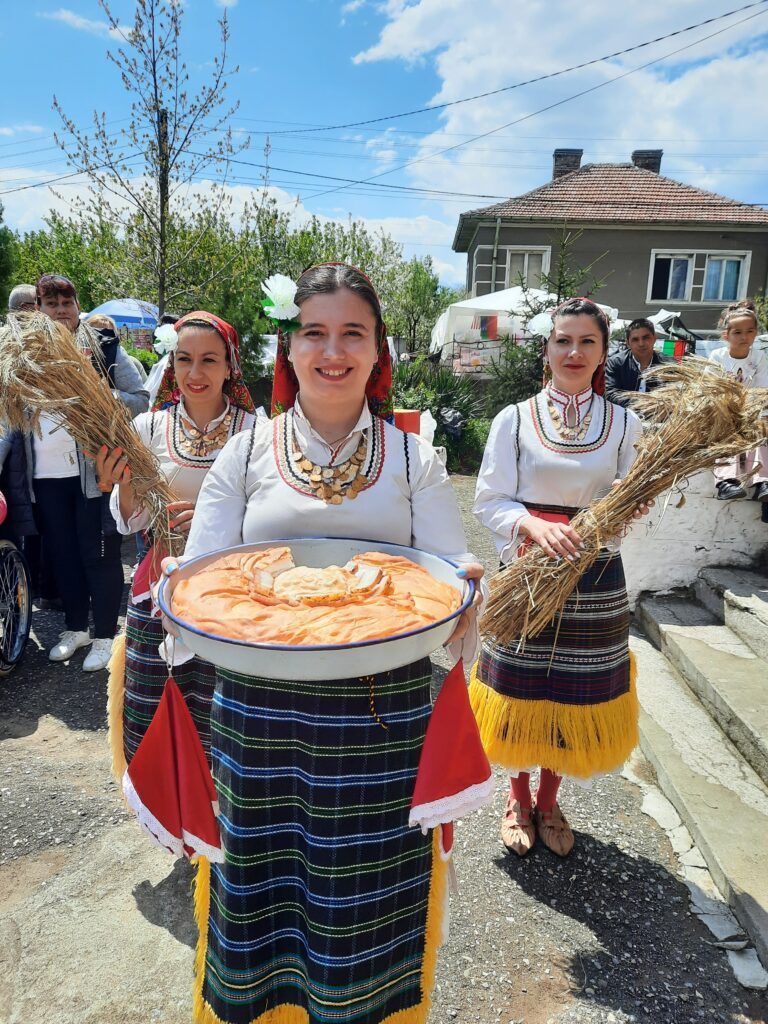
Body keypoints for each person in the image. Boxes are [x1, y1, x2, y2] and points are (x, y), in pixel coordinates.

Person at [147, 264, 488, 1024]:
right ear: (289, 350)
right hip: (257, 711)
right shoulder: (244, 454)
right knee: (258, 882)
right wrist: (178, 582)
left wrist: (468, 582)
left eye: (352, 334)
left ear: (377, 351)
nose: (333, 352)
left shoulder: (414, 458)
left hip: (382, 711)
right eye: (314, 334)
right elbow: (207, 575)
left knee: (363, 888)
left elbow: (446, 573)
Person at [471, 297, 652, 858]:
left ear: (602, 352)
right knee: (519, 685)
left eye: (587, 342)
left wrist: (623, 510)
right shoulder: (514, 419)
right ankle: (516, 796)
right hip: (528, 571)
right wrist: (531, 524)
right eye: (563, 341)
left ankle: (550, 799)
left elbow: (631, 501)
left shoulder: (626, 424)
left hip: (594, 576)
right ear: (546, 350)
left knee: (572, 691)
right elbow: (489, 499)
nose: (574, 352)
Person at [96, 312, 258, 770]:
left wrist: (212, 522)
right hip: (159, 586)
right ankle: (168, 805)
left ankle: (222, 804)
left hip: (233, 594)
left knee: (223, 714)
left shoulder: (257, 432)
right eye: (184, 359)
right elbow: (130, 521)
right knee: (156, 710)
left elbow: (270, 518)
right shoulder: (148, 428)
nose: (195, 372)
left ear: (230, 366)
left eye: (209, 360)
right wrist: (122, 484)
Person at [31, 274, 148, 670]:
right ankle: (76, 628)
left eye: (67, 304)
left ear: (78, 306)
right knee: (63, 554)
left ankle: (105, 635)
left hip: (95, 473)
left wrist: (101, 393)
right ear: (39, 309)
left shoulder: (104, 345)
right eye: (52, 305)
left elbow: (141, 399)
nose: (60, 312)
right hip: (45, 476)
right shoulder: (25, 352)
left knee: (99, 552)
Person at [709, 302, 768, 503]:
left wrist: (752, 410)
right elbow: (710, 387)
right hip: (724, 409)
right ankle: (726, 481)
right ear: (726, 335)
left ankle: (762, 481)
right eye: (738, 332)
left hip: (752, 409)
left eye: (750, 331)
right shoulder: (717, 356)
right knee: (727, 428)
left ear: (756, 333)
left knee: (760, 429)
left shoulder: (759, 357)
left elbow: (763, 388)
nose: (744, 337)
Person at [604, 317, 667, 407]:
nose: (641, 344)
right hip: (624, 414)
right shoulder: (616, 363)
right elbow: (610, 393)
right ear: (628, 343)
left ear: (654, 338)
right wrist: (641, 405)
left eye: (645, 338)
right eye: (635, 339)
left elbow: (675, 394)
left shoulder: (668, 365)